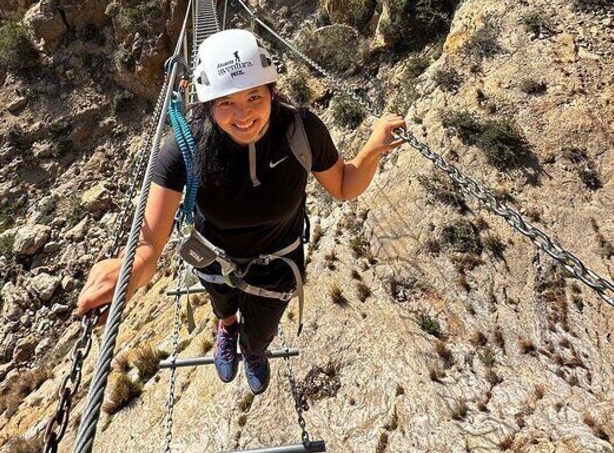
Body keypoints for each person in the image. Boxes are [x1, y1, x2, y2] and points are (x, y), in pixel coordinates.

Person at [75, 29, 405, 395]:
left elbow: (343, 185)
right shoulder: (185, 146)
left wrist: (373, 148)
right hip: (214, 259)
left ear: (271, 93)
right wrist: (130, 270)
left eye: (254, 97)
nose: (244, 115)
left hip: (277, 267)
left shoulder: (300, 130)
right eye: (226, 103)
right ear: (207, 104)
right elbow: (150, 243)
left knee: (262, 329)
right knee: (223, 306)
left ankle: (253, 348)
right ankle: (228, 328)